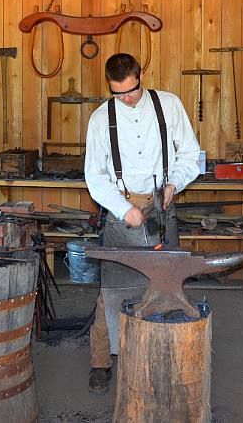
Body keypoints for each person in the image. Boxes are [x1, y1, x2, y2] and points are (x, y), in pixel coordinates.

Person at [84, 53, 200, 392]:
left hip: (162, 206)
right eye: (118, 93)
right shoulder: (100, 119)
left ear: (141, 75)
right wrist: (123, 208)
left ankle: (167, 353)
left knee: (169, 283)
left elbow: (191, 155)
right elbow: (95, 177)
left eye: (131, 91)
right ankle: (101, 362)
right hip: (123, 212)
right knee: (114, 290)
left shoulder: (169, 105)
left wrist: (173, 183)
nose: (126, 99)